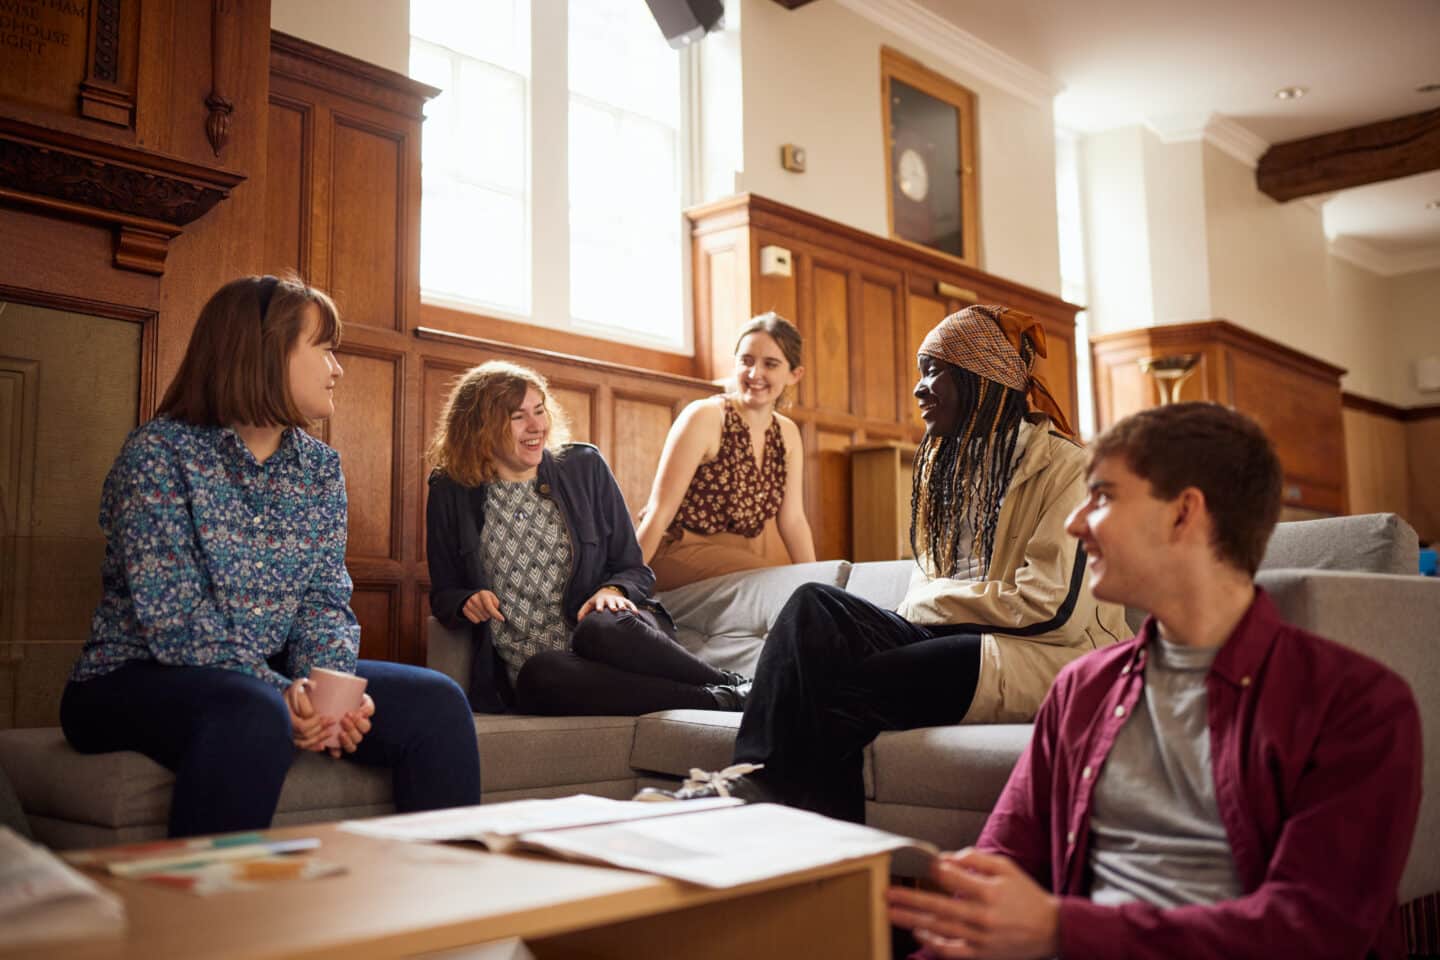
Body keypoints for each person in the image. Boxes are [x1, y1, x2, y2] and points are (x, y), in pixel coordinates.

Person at [887, 402, 1422, 960]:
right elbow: (998, 873)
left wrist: (1060, 931)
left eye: (1103, 497)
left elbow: (1309, 934)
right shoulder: (1081, 690)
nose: (1074, 523)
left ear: (1183, 514)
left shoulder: (1357, 704)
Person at [638, 305, 1127, 821]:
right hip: (958, 631)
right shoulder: (948, 466)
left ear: (984, 381)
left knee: (846, 685)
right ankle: (753, 782)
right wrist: (920, 608)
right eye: (920, 372)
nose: (919, 388)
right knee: (813, 604)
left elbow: (1050, 606)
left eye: (935, 372)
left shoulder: (1067, 467)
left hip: (1041, 652)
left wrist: (920, 607)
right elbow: (930, 583)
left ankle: (794, 822)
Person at [61, 275, 481, 839]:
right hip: (130, 678)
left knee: (438, 703)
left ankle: (448, 912)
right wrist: (283, 693)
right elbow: (176, 621)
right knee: (252, 711)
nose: (338, 368)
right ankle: (210, 920)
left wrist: (328, 692)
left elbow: (324, 601)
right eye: (325, 349)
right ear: (264, 352)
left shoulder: (320, 468)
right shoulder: (157, 456)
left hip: (269, 677)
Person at [425, 360, 751, 716]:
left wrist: (613, 591)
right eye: (518, 417)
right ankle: (722, 700)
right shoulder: (449, 490)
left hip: (616, 640)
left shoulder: (584, 467)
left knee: (598, 628)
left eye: (539, 410)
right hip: (552, 669)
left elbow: (634, 568)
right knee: (539, 674)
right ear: (481, 428)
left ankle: (736, 687)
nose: (537, 426)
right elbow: (444, 594)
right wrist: (465, 600)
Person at [634, 313, 816, 590]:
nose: (755, 374)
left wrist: (819, 580)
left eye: (770, 364)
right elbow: (659, 512)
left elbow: (793, 520)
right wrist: (623, 583)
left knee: (801, 585)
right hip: (676, 552)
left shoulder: (787, 434)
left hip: (739, 560)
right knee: (778, 582)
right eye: (746, 361)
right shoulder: (705, 416)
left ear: (794, 374)